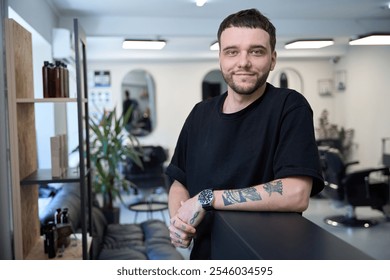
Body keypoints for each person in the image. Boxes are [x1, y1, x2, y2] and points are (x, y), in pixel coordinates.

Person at [165, 8, 324, 259]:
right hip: (206, 256)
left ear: (273, 59)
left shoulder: (289, 106)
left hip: (266, 257)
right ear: (220, 58)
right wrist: (179, 222)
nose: (243, 62)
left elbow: (296, 193)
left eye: (256, 51)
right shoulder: (200, 114)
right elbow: (179, 181)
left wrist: (207, 198)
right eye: (232, 52)